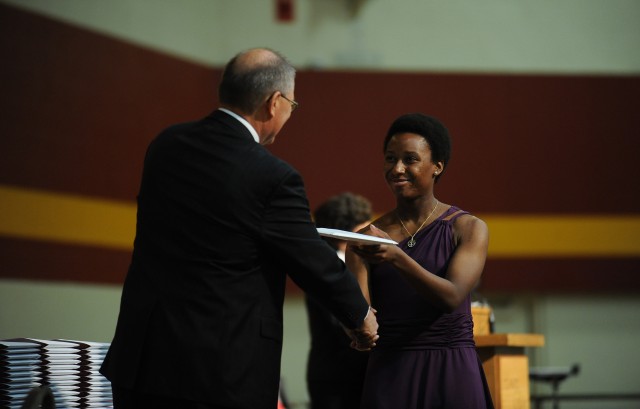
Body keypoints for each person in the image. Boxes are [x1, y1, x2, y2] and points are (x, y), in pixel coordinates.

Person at [99, 48, 378, 409]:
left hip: (142, 362)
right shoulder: (272, 177)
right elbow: (311, 259)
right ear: (274, 102)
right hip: (217, 373)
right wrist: (360, 315)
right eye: (292, 105)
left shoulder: (165, 146)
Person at [347, 113, 494, 409]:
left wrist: (397, 257)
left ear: (437, 166)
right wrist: (357, 330)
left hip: (452, 370)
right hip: (391, 372)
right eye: (390, 159)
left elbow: (451, 296)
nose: (397, 168)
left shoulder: (467, 228)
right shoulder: (365, 240)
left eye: (410, 159)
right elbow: (360, 316)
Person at [305, 192, 373, 409]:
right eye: (364, 229)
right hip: (337, 379)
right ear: (348, 233)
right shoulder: (328, 268)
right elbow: (341, 322)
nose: (371, 234)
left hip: (354, 375)